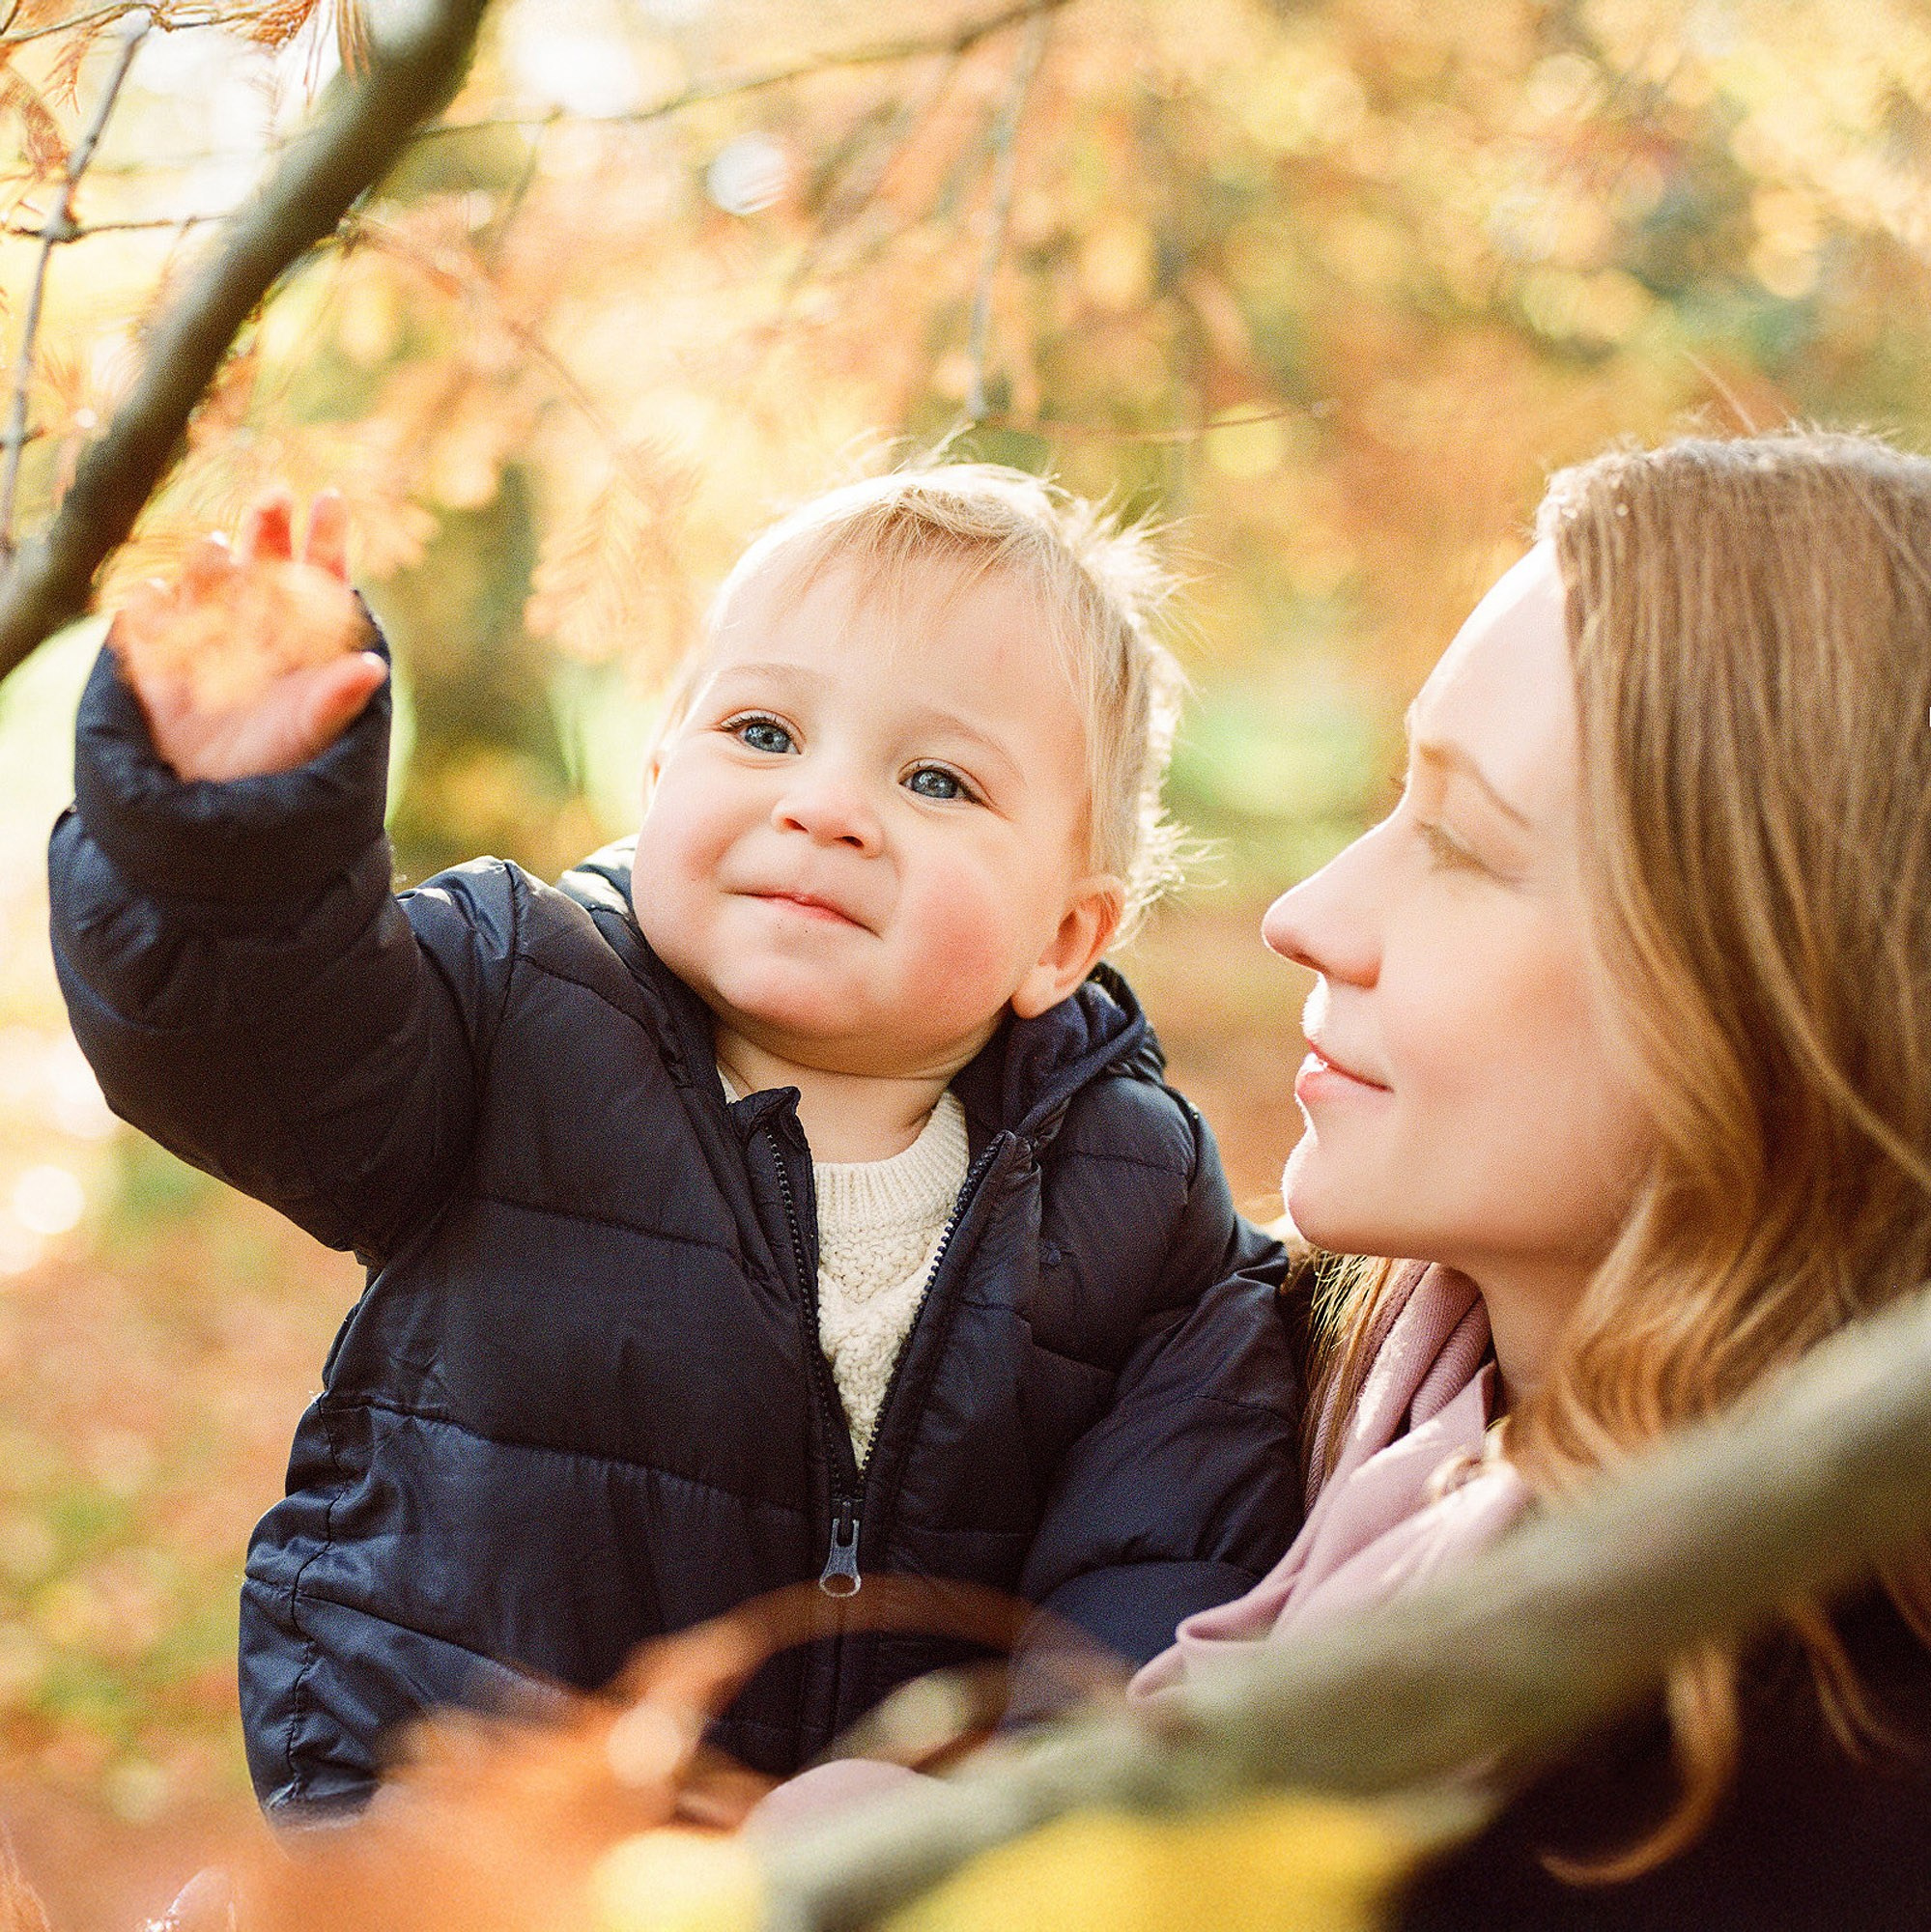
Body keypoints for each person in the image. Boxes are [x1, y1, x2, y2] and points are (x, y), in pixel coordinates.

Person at [46, 463, 1305, 1820]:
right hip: (459, 1831)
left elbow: (1159, 1559)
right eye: (765, 732)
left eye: (936, 779)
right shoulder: (513, 1007)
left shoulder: (1135, 1195)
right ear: (658, 777)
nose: (824, 806)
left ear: (1063, 937)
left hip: (884, 1871)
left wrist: (1025, 1817)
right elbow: (258, 1049)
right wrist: (227, 837)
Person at [1134, 428, 1931, 1926]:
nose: (1308, 912)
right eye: (1395, 801)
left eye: (1461, 843)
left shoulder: (1800, 1809)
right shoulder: (1230, 1388)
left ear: (1773, 1006)